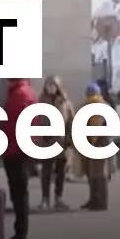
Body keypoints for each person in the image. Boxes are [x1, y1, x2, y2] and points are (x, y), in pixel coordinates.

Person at [1, 78, 37, 239]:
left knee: (19, 194)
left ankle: (20, 236)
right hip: (17, 149)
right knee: (19, 193)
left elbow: (15, 124)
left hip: (16, 150)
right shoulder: (22, 92)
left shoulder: (20, 94)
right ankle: (20, 234)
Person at [37, 76, 75, 211]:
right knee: (46, 172)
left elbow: (71, 121)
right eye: (49, 85)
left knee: (61, 172)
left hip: (61, 142)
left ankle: (58, 198)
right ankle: (45, 199)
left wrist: (70, 140)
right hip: (46, 141)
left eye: (53, 85)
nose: (51, 87)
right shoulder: (41, 101)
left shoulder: (65, 102)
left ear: (58, 86)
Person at [82, 83, 112, 211]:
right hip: (100, 141)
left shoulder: (96, 105)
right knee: (94, 173)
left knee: (98, 174)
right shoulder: (99, 104)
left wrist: (91, 142)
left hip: (98, 141)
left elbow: (95, 126)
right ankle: (94, 200)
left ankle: (100, 202)